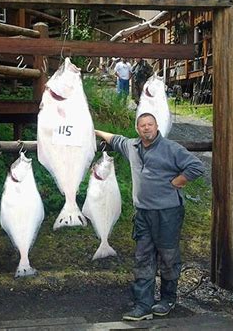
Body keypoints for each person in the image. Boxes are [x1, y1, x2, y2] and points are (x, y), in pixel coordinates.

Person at [95, 113, 204, 321]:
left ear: (156, 127)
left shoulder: (171, 148)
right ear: (137, 129)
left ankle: (167, 300)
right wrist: (95, 131)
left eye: (150, 125)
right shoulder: (132, 146)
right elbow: (114, 139)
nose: (146, 128)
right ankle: (143, 305)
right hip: (142, 213)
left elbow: (196, 166)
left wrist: (178, 181)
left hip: (168, 213)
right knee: (143, 258)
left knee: (168, 257)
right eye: (142, 125)